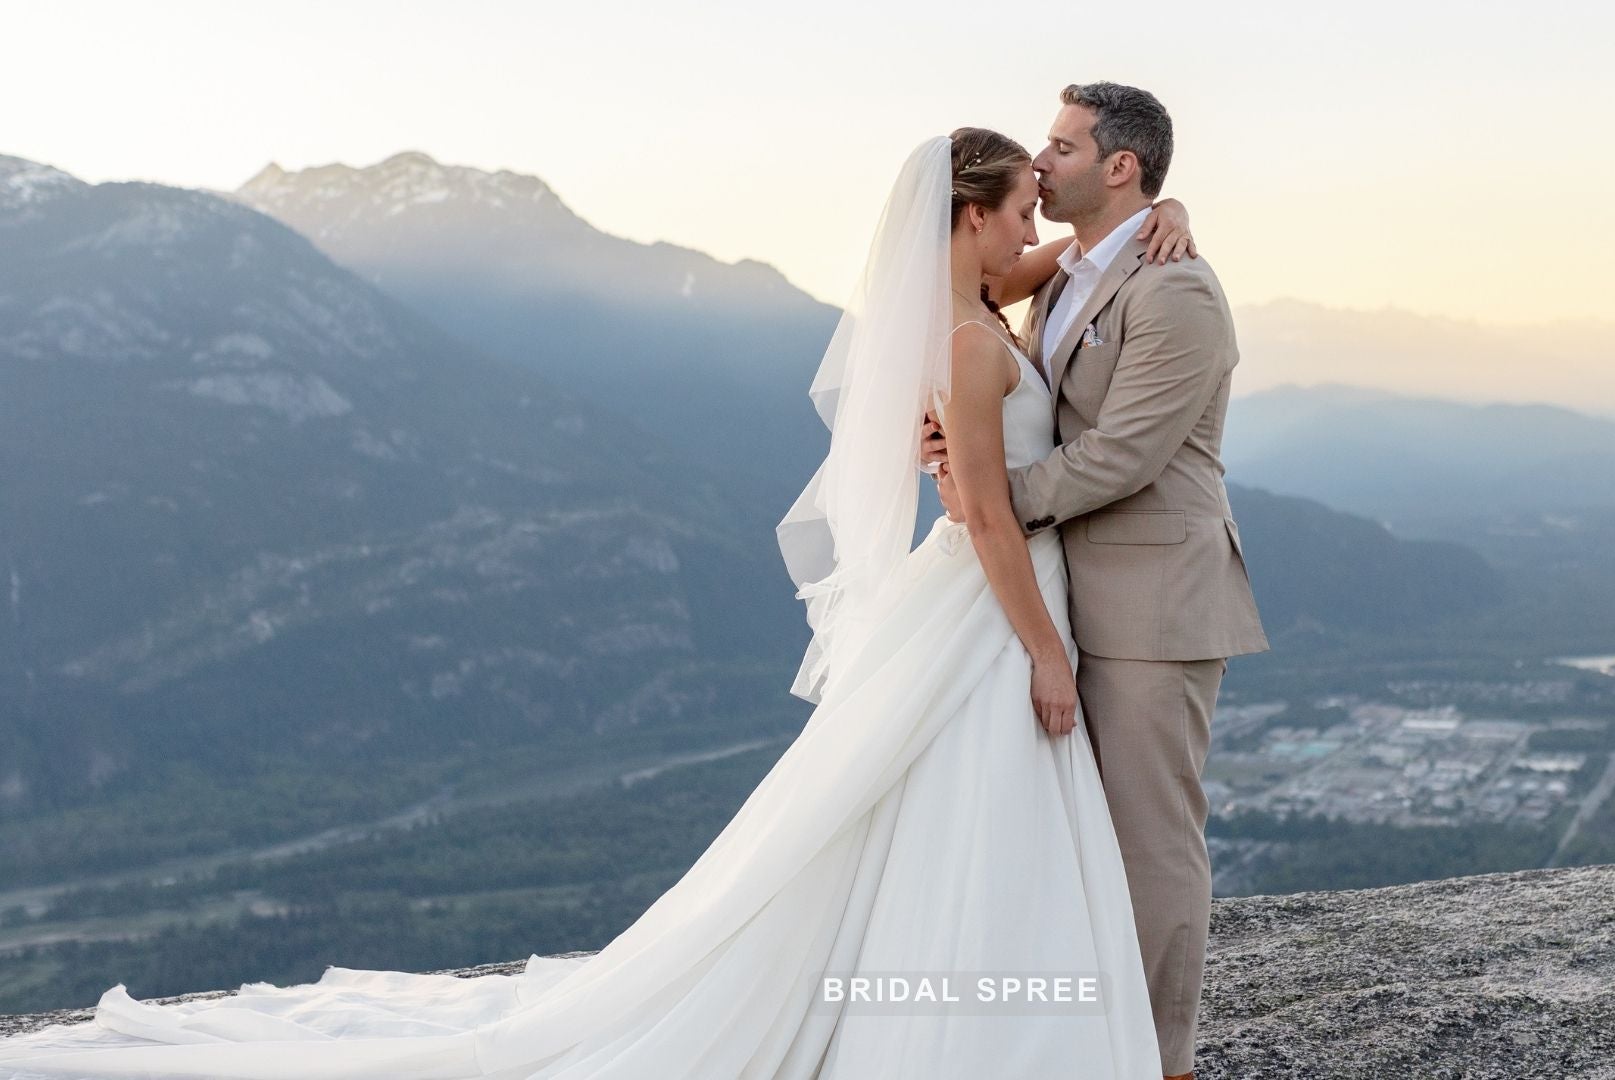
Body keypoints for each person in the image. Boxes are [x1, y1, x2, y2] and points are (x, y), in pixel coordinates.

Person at [0, 129, 1203, 1080]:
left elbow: (1068, 268)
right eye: (1020, 209)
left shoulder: (958, 315)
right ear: (971, 218)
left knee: (935, 811)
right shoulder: (977, 344)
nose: (1036, 226)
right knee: (977, 805)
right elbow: (986, 516)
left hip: (970, 600)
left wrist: (1168, 214)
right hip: (994, 604)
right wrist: (1046, 652)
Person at [921, 82, 1271, 1080]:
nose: (1040, 162)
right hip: (1064, 592)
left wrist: (984, 498)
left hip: (1155, 604)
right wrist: (949, 443)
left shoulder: (1177, 290)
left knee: (1149, 841)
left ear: (1121, 166)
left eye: (1062, 146)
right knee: (1065, 833)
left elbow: (1125, 454)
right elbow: (976, 342)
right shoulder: (1063, 270)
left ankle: (1163, 1060)